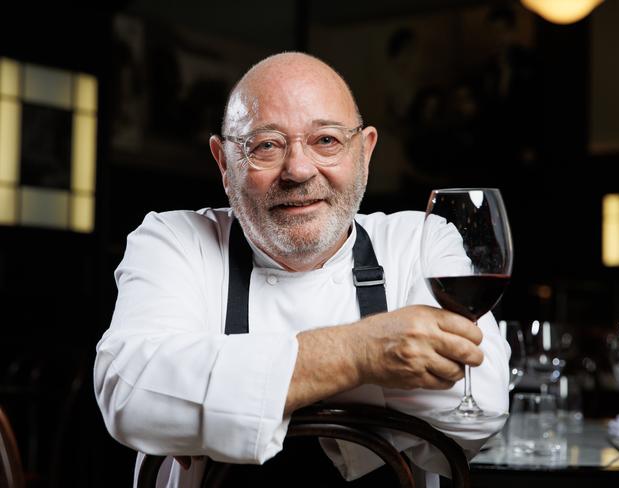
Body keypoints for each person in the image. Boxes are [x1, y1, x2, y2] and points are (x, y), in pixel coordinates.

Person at [94, 52, 509, 488]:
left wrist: (215, 398)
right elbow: (132, 392)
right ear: (223, 162)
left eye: (326, 140)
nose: (298, 170)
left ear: (365, 152)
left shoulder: (420, 241)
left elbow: (481, 399)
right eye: (266, 145)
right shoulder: (173, 239)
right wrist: (364, 353)